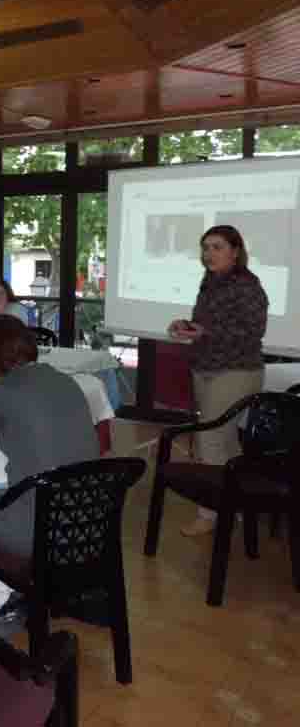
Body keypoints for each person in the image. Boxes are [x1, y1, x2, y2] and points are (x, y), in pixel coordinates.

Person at [0, 316, 99, 639]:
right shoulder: (67, 382)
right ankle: (28, 595)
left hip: (39, 531)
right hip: (90, 523)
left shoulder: (0, 392)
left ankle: (11, 602)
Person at [167, 224, 268, 537]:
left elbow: (253, 332)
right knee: (225, 439)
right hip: (207, 367)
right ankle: (235, 503)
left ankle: (209, 513)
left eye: (217, 247)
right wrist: (186, 325)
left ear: (235, 251)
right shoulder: (209, 282)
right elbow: (208, 324)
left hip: (235, 370)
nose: (209, 254)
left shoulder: (247, 285)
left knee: (209, 438)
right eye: (205, 247)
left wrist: (206, 332)